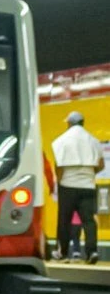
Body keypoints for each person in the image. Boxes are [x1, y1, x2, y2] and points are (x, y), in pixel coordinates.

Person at [52, 111, 102, 264]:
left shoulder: (62, 140)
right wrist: (88, 174)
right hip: (88, 186)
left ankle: (63, 253)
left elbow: (59, 167)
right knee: (89, 221)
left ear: (69, 123)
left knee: (64, 221)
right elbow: (100, 165)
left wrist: (58, 183)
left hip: (68, 186)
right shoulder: (93, 140)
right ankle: (91, 251)